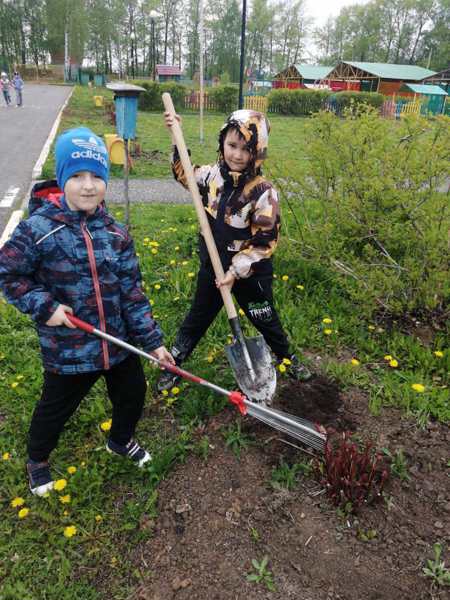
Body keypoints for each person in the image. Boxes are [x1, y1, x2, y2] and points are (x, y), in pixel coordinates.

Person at [0, 126, 174, 496]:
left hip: (119, 341)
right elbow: (9, 274)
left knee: (133, 394)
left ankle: (120, 439)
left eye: (97, 175)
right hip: (69, 347)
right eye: (77, 176)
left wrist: (153, 342)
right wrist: (45, 307)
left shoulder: (115, 233)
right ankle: (38, 460)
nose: (88, 185)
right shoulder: (38, 230)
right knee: (56, 408)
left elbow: (132, 293)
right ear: (63, 178)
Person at [157, 109, 312, 392]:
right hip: (213, 268)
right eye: (232, 146)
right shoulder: (212, 176)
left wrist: (235, 271)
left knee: (264, 316)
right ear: (222, 144)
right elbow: (185, 176)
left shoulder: (263, 192)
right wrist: (176, 138)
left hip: (249, 273)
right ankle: (175, 361)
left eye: (246, 149)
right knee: (198, 317)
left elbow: (265, 239)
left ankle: (286, 357)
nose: (237, 155)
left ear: (259, 152)